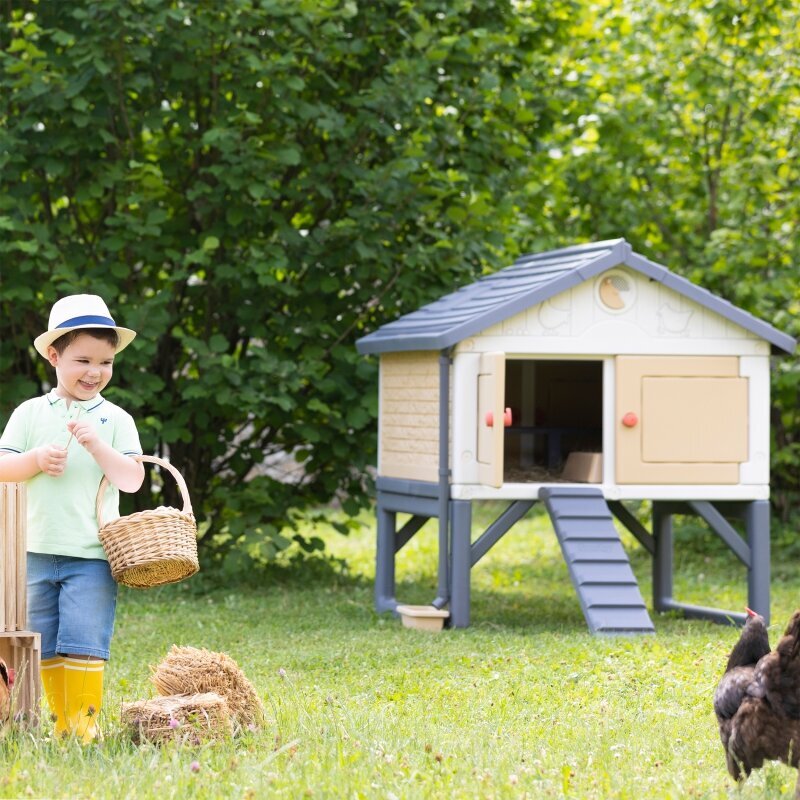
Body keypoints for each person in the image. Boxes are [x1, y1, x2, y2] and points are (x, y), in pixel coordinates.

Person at [0, 294, 144, 742]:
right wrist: (37, 459)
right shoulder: (30, 414)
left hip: (92, 553)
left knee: (84, 640)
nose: (94, 371)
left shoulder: (116, 419)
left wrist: (98, 447)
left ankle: (81, 727)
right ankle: (51, 720)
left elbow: (133, 479)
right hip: (33, 550)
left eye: (106, 362)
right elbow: (3, 469)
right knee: (39, 640)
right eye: (82, 359)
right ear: (53, 355)